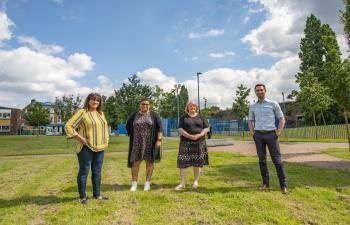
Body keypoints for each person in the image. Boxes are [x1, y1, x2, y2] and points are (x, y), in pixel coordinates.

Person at [65, 93, 109, 204]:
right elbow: (68, 126)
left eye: (98, 100)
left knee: (97, 172)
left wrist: (106, 140)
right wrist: (79, 138)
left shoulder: (101, 113)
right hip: (86, 147)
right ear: (88, 101)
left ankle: (97, 195)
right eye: (93, 100)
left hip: (100, 148)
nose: (95, 102)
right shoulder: (82, 112)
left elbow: (104, 128)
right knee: (84, 171)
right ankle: (83, 197)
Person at [248, 84, 288, 194]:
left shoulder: (273, 104)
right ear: (255, 92)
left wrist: (278, 132)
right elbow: (250, 121)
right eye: (257, 90)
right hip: (259, 136)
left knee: (277, 160)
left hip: (271, 135)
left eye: (261, 90)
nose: (259, 91)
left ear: (265, 90)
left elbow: (281, 118)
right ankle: (265, 183)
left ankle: (283, 185)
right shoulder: (252, 106)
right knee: (262, 160)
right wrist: (253, 133)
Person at [126, 99, 163, 191]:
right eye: (143, 104)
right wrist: (133, 135)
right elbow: (128, 125)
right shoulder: (134, 115)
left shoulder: (154, 115)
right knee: (135, 162)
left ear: (149, 105)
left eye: (147, 104)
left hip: (150, 143)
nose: (145, 106)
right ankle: (134, 183)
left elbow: (160, 128)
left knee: (149, 162)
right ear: (140, 105)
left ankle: (147, 183)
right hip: (136, 143)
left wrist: (159, 140)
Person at [175, 101, 209, 190]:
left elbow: (206, 128)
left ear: (196, 107)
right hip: (185, 143)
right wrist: (189, 136)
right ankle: (182, 183)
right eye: (190, 106)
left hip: (199, 142)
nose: (192, 107)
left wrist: (199, 135)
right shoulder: (183, 117)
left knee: (197, 163)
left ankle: (195, 181)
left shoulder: (201, 117)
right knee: (183, 163)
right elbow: (180, 129)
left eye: (194, 106)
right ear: (187, 107)